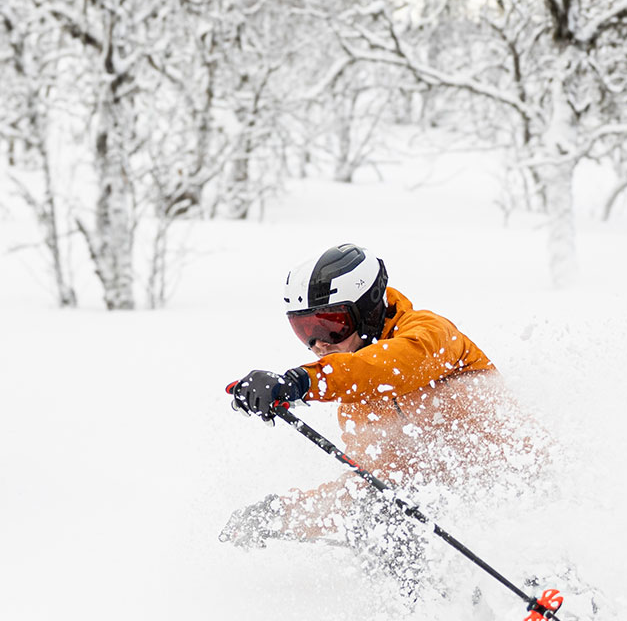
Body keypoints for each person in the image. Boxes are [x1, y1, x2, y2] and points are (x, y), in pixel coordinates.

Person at [221, 243, 547, 593]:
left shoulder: (429, 333)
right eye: (304, 331)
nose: (318, 345)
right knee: (375, 509)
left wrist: (303, 380)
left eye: (330, 325)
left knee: (386, 510)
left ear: (368, 309)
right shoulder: (357, 402)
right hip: (459, 525)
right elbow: (371, 484)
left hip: (527, 496)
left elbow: (390, 365)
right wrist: (280, 513)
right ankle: (436, 620)